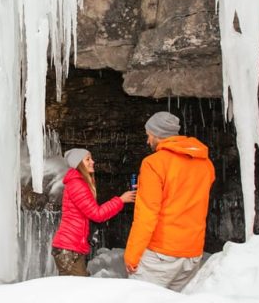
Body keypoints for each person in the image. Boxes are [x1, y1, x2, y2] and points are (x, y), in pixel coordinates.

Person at [124, 111, 215, 291]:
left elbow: (147, 214)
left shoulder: (154, 163)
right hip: (192, 253)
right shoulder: (206, 164)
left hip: (160, 254)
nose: (147, 140)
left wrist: (132, 255)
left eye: (148, 135)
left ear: (158, 134)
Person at [52, 148, 137, 276]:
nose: (93, 161)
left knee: (73, 291)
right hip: (69, 250)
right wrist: (120, 200)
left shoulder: (77, 183)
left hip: (71, 249)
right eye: (87, 159)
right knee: (79, 291)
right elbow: (97, 214)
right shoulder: (77, 184)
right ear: (79, 164)